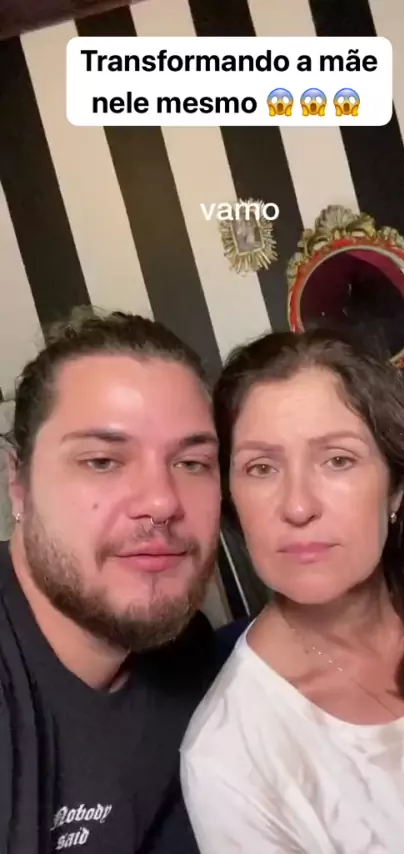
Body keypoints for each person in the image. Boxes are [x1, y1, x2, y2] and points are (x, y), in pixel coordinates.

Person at [180, 326, 404, 853]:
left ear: (396, 486)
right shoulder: (230, 758)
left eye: (337, 459)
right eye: (261, 468)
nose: (298, 506)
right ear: (232, 498)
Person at [0, 308, 224, 854]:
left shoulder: (192, 655)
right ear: (18, 485)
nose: (162, 502)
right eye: (102, 461)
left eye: (192, 463)